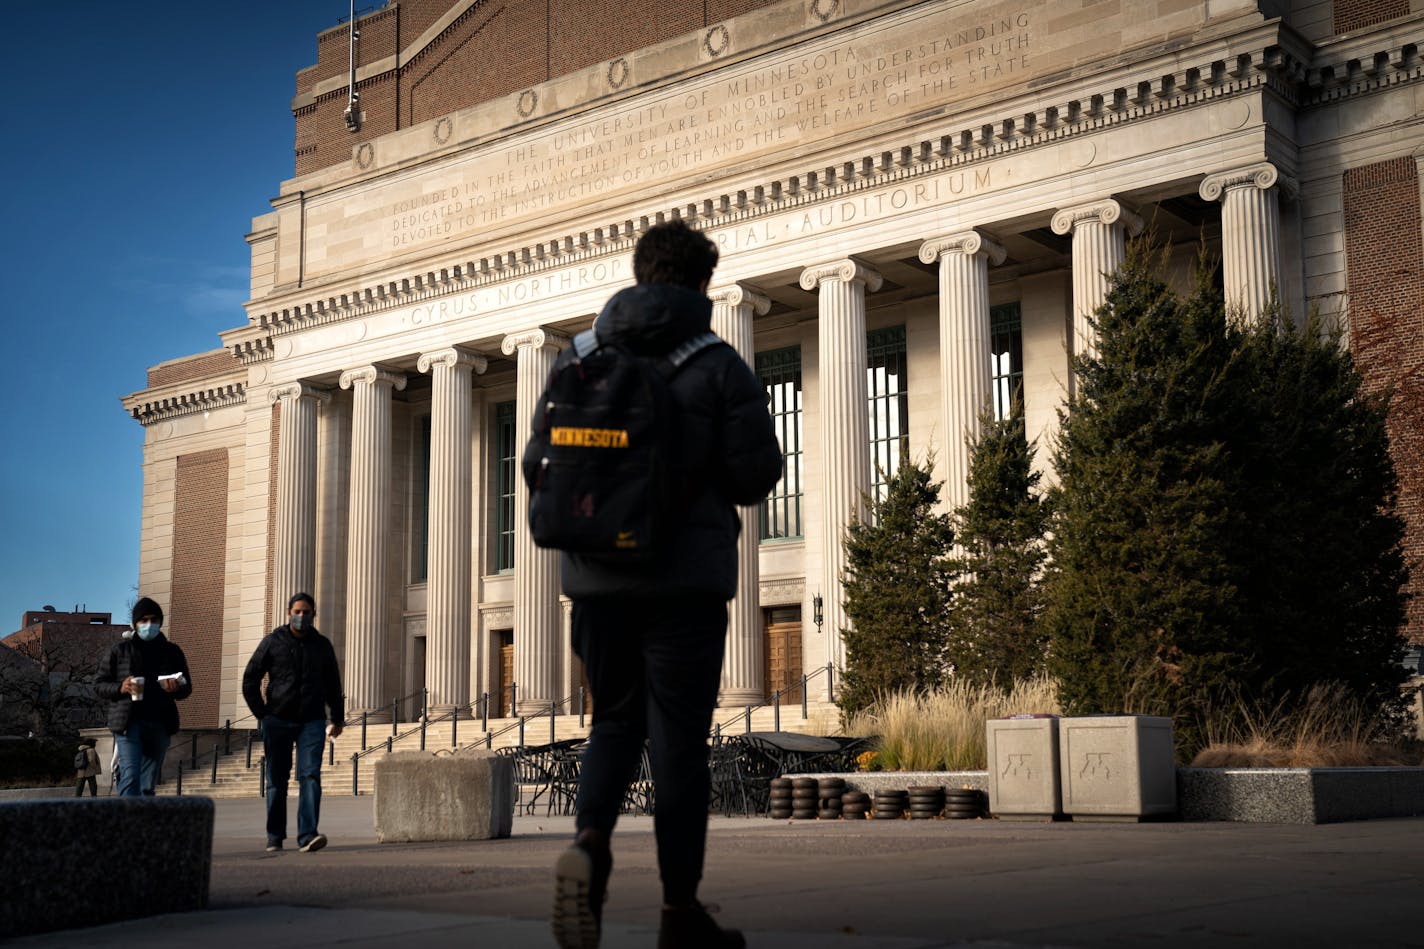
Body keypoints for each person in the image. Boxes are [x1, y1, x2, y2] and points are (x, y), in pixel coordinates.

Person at [529, 220, 783, 949]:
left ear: (640, 275)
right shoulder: (717, 362)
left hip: (599, 588)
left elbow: (535, 464)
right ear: (701, 285)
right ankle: (679, 912)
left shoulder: (582, 354)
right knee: (678, 746)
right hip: (684, 590)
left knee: (612, 724)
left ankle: (588, 842)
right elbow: (756, 473)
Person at [242, 592, 345, 854]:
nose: (301, 616)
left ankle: (307, 835)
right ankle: (274, 836)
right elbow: (250, 678)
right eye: (297, 612)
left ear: (313, 615)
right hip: (277, 719)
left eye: (306, 612)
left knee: (310, 775)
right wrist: (262, 714)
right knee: (277, 780)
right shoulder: (273, 642)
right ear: (289, 613)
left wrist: (338, 718)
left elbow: (333, 684)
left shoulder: (321, 645)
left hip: (311, 720)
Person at [95, 597, 193, 796]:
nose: (149, 625)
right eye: (144, 620)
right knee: (131, 778)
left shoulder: (172, 651)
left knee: (147, 785)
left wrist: (176, 688)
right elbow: (98, 685)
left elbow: (187, 688)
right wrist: (121, 688)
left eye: (154, 620)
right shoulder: (120, 651)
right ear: (135, 623)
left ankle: (142, 823)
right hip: (128, 722)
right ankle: (128, 823)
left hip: (160, 722)